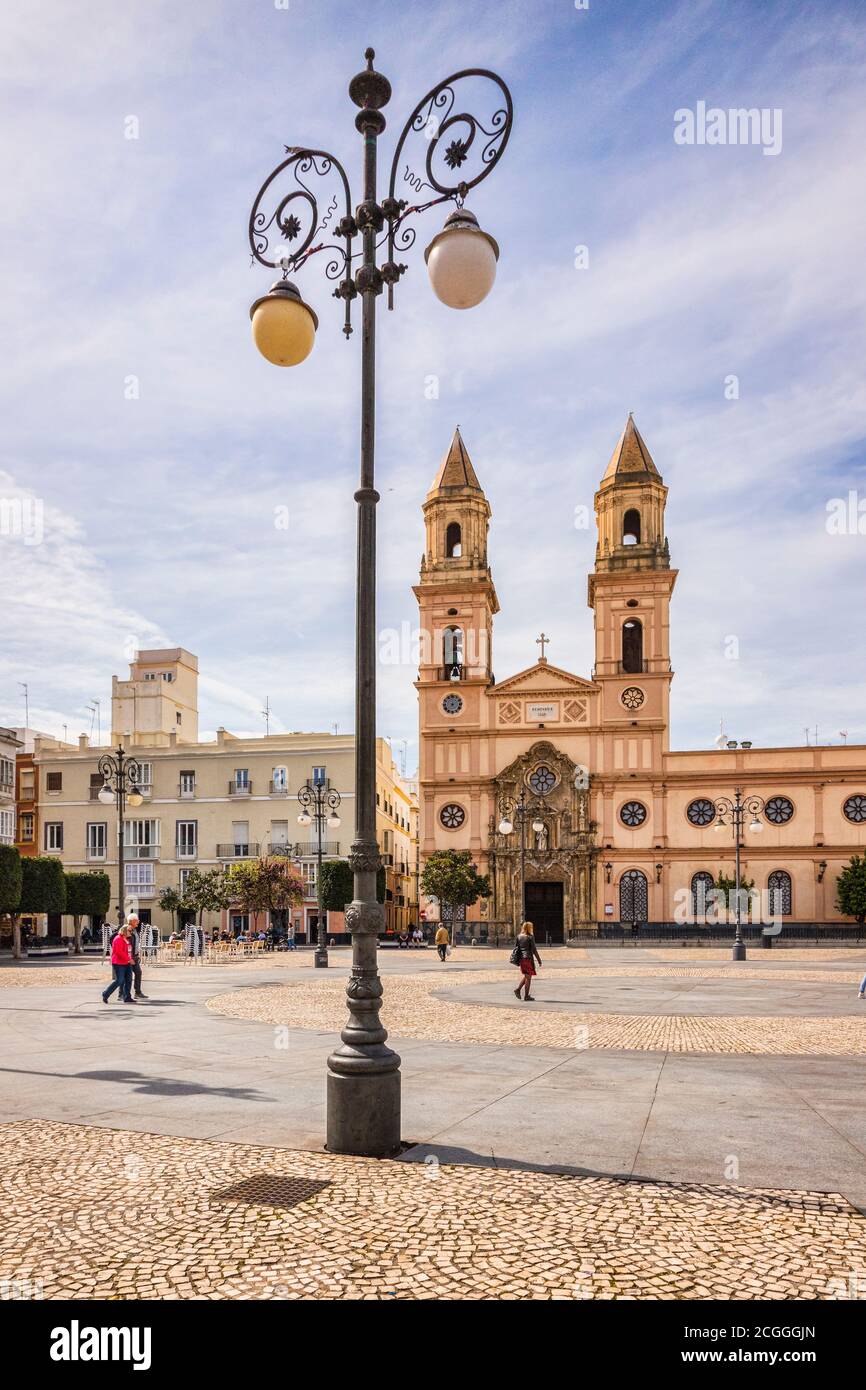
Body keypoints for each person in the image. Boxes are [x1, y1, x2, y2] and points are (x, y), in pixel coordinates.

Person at [102, 924, 134, 1005]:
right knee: (119, 980)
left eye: (131, 930)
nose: (131, 932)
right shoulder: (118, 939)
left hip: (127, 963)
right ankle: (106, 994)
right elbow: (119, 952)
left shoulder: (126, 939)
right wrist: (129, 959)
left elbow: (128, 951)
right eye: (130, 930)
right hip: (119, 963)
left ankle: (127, 997)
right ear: (124, 931)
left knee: (129, 980)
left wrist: (130, 958)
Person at [513, 920, 542, 1001]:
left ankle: (518, 990)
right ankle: (526, 996)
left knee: (526, 975)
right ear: (529, 928)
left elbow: (516, 948)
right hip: (528, 958)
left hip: (522, 958)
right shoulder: (530, 937)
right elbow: (534, 950)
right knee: (528, 977)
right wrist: (539, 960)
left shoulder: (519, 936)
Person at [127, 915, 148, 1000]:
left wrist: (137, 954)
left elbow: (135, 943)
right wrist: (129, 957)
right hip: (129, 957)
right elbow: (126, 944)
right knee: (127, 976)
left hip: (135, 956)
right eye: (136, 920)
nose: (138, 921)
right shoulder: (127, 930)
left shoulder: (134, 930)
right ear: (131, 921)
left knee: (138, 973)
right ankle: (122, 994)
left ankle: (137, 992)